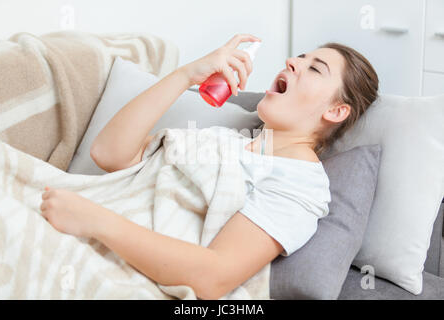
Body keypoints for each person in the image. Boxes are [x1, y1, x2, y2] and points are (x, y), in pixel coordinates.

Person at [40, 33, 379, 300]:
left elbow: (213, 278)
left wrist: (95, 222)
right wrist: (186, 74)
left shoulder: (299, 182)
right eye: (300, 57)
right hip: (79, 222)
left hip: (106, 263)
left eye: (315, 68)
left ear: (336, 111)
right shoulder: (222, 140)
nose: (292, 61)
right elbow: (109, 153)